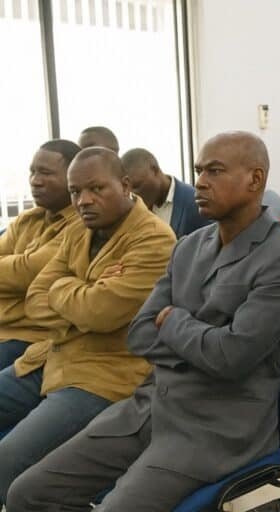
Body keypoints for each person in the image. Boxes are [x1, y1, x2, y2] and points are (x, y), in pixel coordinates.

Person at [6, 132, 280, 512]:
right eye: (199, 170)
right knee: (27, 493)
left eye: (215, 171)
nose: (200, 181)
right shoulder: (190, 246)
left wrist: (175, 323)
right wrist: (197, 336)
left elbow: (231, 357)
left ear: (255, 179)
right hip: (150, 405)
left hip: (214, 426)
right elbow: (140, 334)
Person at [0, 148, 176, 505]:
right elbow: (35, 299)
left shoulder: (154, 239)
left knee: (6, 461)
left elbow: (100, 313)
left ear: (125, 185)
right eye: (77, 191)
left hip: (103, 375)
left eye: (96, 189)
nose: (84, 200)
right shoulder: (79, 230)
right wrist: (79, 299)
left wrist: (65, 290)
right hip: (48, 358)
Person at [0, 140, 81, 369]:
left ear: (73, 177)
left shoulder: (81, 225)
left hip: (30, 336)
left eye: (45, 173)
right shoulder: (28, 220)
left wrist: (15, 268)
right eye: (33, 172)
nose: (35, 180)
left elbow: (27, 273)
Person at [121, 148, 209, 237]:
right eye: (127, 188)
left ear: (155, 170)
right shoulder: (134, 210)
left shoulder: (196, 201)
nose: (133, 194)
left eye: (137, 186)